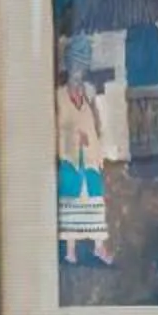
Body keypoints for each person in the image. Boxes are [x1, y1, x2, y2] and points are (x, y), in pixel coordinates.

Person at [55, 59, 114, 268]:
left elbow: (95, 126)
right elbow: (57, 128)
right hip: (70, 158)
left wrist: (97, 153)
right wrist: (73, 137)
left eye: (81, 77)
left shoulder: (88, 98)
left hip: (89, 158)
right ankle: (70, 251)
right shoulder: (59, 98)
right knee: (71, 203)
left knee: (95, 202)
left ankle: (99, 246)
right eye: (75, 76)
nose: (78, 82)